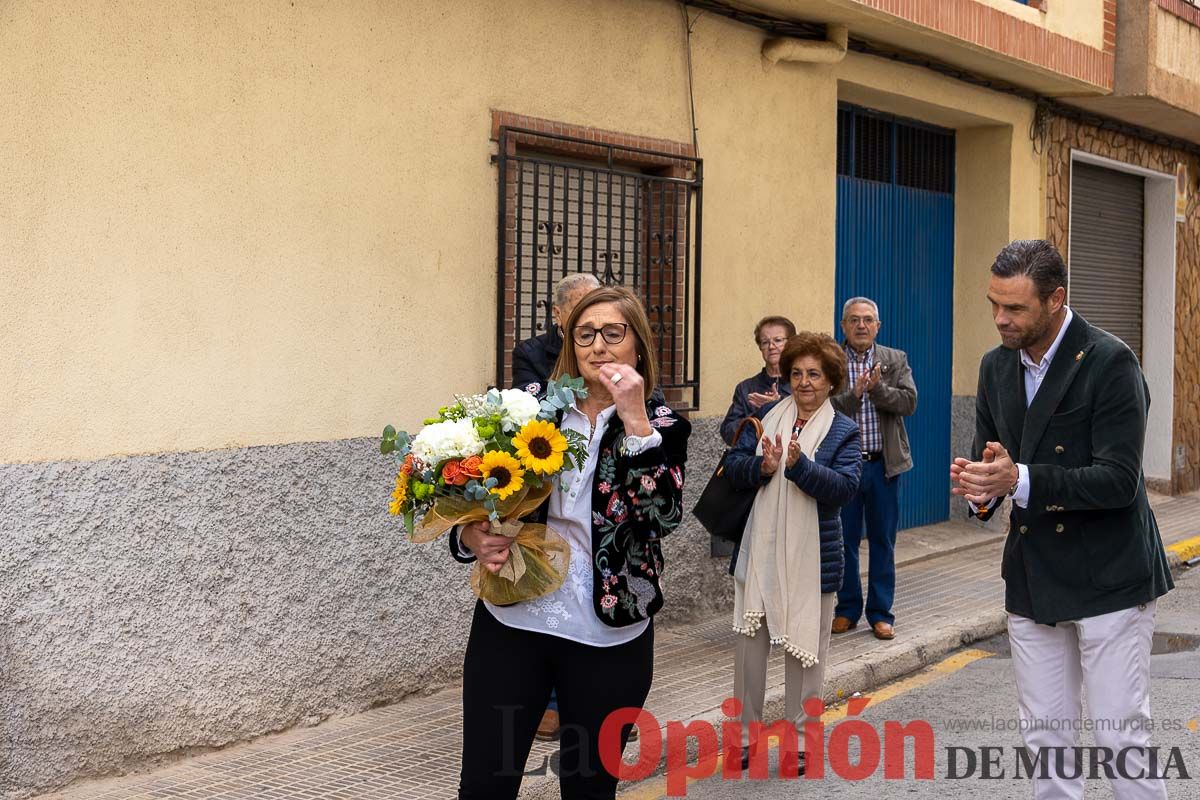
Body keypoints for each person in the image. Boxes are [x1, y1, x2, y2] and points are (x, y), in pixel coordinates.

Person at [950, 239, 1173, 800]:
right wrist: (981, 490)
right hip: (1033, 577)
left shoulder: (1110, 361)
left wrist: (1018, 479)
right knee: (1046, 743)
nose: (1000, 319)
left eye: (1015, 308)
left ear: (1056, 300)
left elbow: (1120, 481)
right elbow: (995, 459)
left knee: (1122, 740)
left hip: (1111, 578)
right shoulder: (995, 366)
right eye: (994, 305)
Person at [451, 285, 691, 800]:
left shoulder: (663, 426)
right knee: (483, 785)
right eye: (585, 334)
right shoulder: (529, 409)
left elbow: (658, 519)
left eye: (613, 333)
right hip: (513, 619)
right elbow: (471, 488)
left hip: (608, 633)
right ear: (569, 343)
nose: (598, 346)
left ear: (638, 344)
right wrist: (469, 532)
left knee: (588, 786)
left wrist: (633, 418)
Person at [723, 332, 860, 773]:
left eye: (814, 375)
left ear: (831, 381)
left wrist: (801, 468)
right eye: (797, 373)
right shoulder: (765, 414)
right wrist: (762, 467)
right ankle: (744, 737)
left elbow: (843, 489)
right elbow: (735, 469)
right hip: (760, 555)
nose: (804, 382)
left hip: (814, 561)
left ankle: (802, 743)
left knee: (807, 655)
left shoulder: (843, 430)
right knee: (749, 651)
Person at [509, 271, 600, 740]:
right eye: (582, 310)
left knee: (585, 596)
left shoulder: (612, 350)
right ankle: (545, 701)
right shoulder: (531, 353)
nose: (593, 323)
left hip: (592, 490)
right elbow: (536, 406)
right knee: (545, 592)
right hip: (545, 485)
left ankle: (580, 698)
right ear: (559, 314)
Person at [829, 297, 917, 641]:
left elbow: (909, 402)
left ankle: (881, 614)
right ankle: (847, 609)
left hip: (883, 466)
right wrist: (854, 393)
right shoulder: (832, 360)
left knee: (883, 541)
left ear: (877, 326)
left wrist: (877, 389)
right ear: (843, 326)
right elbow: (825, 407)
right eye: (854, 320)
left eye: (868, 320)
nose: (861, 326)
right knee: (844, 541)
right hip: (844, 468)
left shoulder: (894, 359)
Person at [511, 272, 601, 394]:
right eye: (579, 309)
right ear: (558, 314)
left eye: (594, 308)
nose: (589, 317)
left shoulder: (613, 345)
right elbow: (529, 404)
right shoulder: (529, 354)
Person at [719, 316, 797, 445]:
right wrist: (760, 413)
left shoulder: (801, 384)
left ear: (791, 344)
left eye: (778, 340)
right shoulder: (745, 388)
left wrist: (779, 407)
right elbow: (728, 432)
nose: (771, 346)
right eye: (765, 342)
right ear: (760, 347)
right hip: (754, 459)